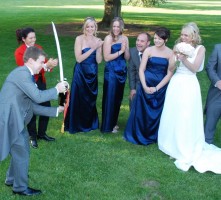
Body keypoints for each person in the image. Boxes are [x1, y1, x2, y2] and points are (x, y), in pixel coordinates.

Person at [0, 46, 68, 196]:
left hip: (15, 119)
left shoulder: (26, 75)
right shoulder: (23, 75)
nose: (43, 66)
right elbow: (37, 97)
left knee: (21, 150)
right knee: (22, 153)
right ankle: (20, 188)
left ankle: (11, 179)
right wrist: (57, 89)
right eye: (41, 62)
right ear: (30, 60)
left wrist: (56, 110)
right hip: (11, 121)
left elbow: (31, 105)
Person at [158, 22, 221, 174]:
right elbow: (171, 68)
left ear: (193, 37)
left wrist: (184, 58)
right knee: (174, 113)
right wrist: (175, 57)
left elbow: (195, 69)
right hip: (176, 83)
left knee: (186, 115)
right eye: (182, 34)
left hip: (189, 84)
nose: (183, 37)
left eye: (186, 35)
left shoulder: (201, 49)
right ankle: (171, 144)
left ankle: (185, 145)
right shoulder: (177, 46)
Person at [124, 27, 175, 145]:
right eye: (155, 38)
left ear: (166, 39)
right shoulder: (149, 50)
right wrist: (145, 86)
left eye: (159, 39)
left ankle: (153, 135)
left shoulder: (170, 53)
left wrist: (157, 88)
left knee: (156, 111)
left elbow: (169, 73)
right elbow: (141, 70)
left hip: (160, 87)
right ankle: (138, 134)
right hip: (145, 85)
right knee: (141, 111)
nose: (156, 41)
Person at [15, 27, 58, 149]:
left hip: (40, 82)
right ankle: (32, 137)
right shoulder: (19, 52)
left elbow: (45, 66)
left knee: (46, 107)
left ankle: (42, 133)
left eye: (34, 37)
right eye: (30, 38)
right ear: (23, 39)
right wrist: (45, 65)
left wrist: (50, 65)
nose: (34, 40)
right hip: (28, 84)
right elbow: (26, 70)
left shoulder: (39, 48)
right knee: (32, 110)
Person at [64, 17, 103, 133]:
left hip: (92, 73)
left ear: (95, 27)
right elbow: (79, 59)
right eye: (88, 26)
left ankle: (89, 123)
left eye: (92, 26)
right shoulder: (79, 39)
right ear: (84, 28)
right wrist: (93, 48)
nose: (90, 29)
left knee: (90, 98)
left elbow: (99, 61)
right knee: (78, 97)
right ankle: (76, 124)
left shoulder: (98, 40)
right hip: (80, 73)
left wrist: (99, 48)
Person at [100, 17, 130, 133]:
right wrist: (120, 51)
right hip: (111, 71)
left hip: (122, 71)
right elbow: (107, 57)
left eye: (118, 26)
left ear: (121, 27)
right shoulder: (108, 39)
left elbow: (127, 58)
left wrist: (125, 48)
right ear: (111, 27)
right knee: (110, 97)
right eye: (114, 26)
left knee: (118, 98)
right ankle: (107, 125)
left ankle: (114, 122)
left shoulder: (125, 38)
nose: (116, 29)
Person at [128, 32, 151, 109]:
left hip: (151, 83)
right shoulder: (133, 52)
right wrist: (133, 89)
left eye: (142, 41)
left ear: (148, 43)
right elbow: (131, 72)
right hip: (138, 83)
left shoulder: (153, 52)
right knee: (133, 99)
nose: (138, 43)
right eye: (137, 40)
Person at [204, 44, 221, 144]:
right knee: (210, 120)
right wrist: (217, 82)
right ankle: (206, 144)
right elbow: (210, 67)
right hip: (217, 92)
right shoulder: (218, 48)